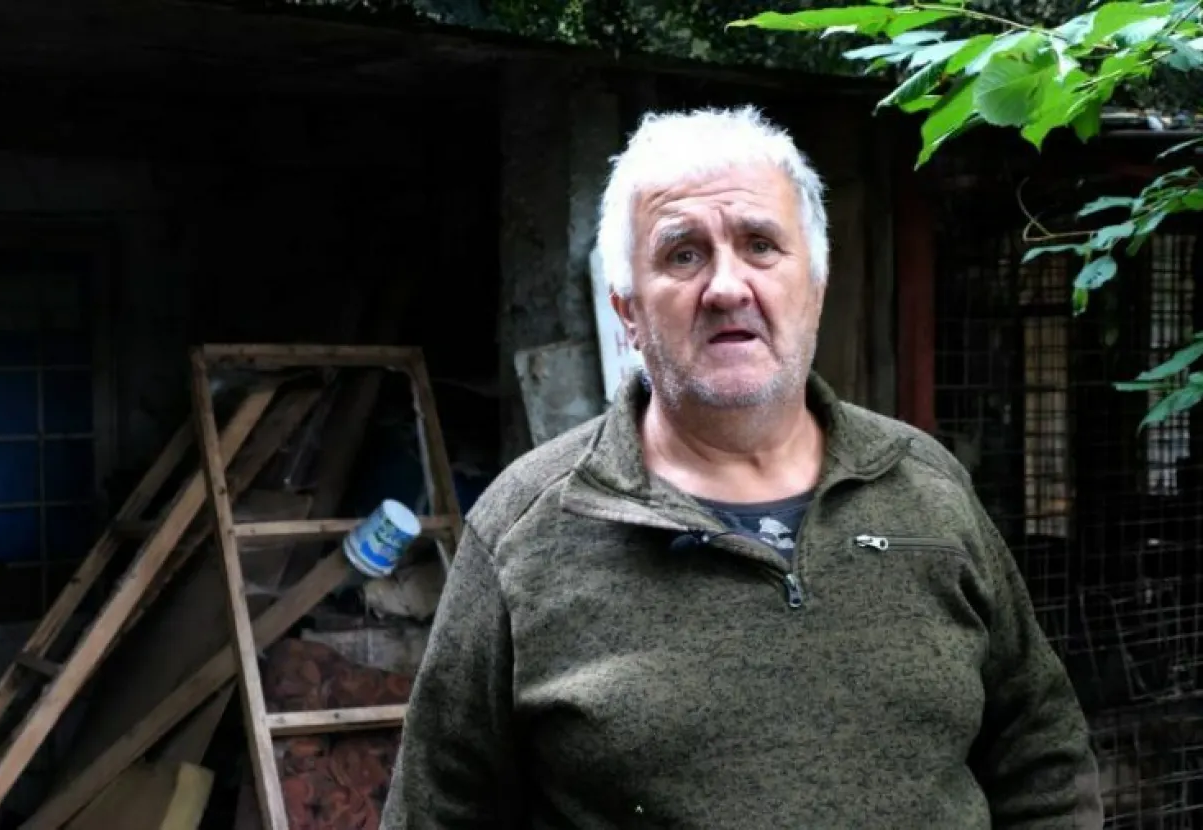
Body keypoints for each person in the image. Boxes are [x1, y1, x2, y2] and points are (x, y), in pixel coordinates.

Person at [380, 105, 1102, 829]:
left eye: (760, 245)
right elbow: (437, 812)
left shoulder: (924, 486)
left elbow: (1041, 756)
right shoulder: (526, 527)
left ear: (815, 287)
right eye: (682, 254)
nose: (726, 287)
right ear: (628, 311)